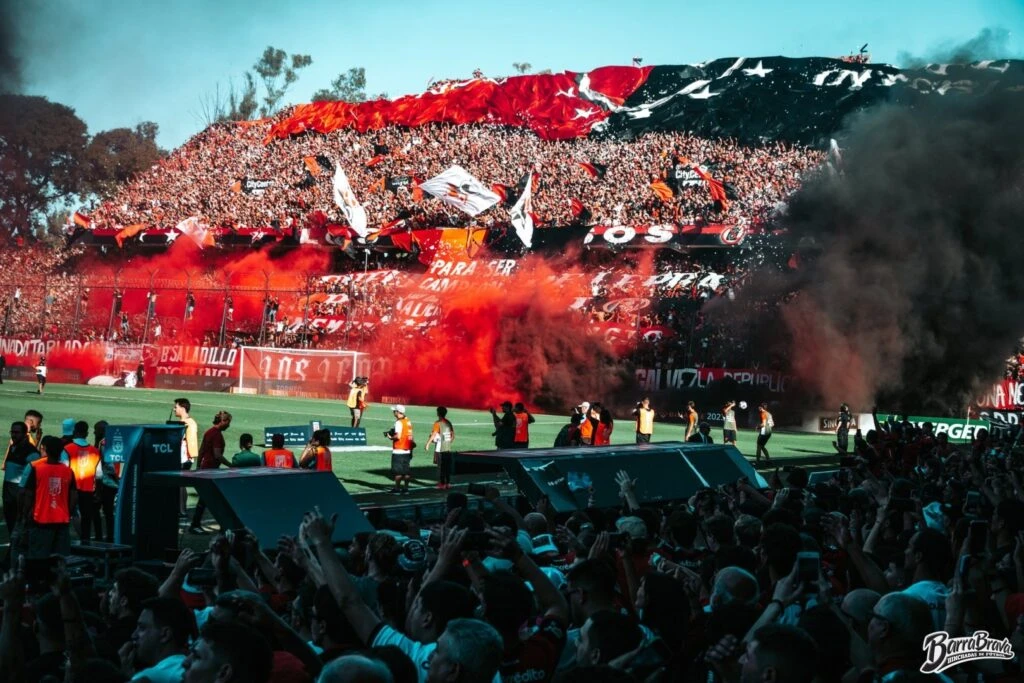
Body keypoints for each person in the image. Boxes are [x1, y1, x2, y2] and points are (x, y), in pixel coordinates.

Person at [20, 435, 77, 558]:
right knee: (60, 560)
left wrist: (25, 513)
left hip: (41, 519)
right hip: (61, 520)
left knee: (39, 557)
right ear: (61, 451)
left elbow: (29, 495)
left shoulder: (37, 469)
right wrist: (69, 512)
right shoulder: (68, 471)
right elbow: (73, 496)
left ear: (46, 449)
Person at [122, 596, 194, 682]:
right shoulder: (185, 669)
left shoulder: (150, 677)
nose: (134, 635)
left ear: (165, 635)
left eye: (142, 628)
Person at [189, 410, 232, 534]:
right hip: (211, 470)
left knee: (207, 498)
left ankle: (197, 524)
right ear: (223, 421)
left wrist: (198, 467)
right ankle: (196, 524)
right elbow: (217, 455)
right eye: (228, 422)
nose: (229, 425)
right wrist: (231, 465)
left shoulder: (209, 432)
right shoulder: (217, 435)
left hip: (205, 468)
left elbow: (201, 450)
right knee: (209, 498)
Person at [64, 420, 102, 542]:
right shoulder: (95, 451)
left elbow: (63, 470)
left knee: (66, 516)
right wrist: (98, 492)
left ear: (74, 432)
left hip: (71, 490)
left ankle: (64, 543)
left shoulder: (67, 449)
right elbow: (99, 475)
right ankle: (85, 543)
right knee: (86, 518)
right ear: (86, 433)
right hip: (88, 490)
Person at [2, 421, 39, 546]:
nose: (13, 435)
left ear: (25, 434)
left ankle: (20, 555)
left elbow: (35, 476)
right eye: (12, 432)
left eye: (16, 432)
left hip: (19, 492)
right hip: (8, 492)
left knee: (20, 526)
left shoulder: (31, 452)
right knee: (11, 525)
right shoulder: (13, 447)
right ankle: (14, 553)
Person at [174, 398, 199, 518]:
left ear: (182, 408)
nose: (174, 409)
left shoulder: (186, 423)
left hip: (184, 456)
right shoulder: (191, 422)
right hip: (187, 456)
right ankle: (182, 509)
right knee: (181, 484)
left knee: (180, 484)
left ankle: (182, 510)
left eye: (176, 407)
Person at [95, 419, 119, 542]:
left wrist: (115, 477)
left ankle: (104, 536)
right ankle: (110, 536)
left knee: (101, 511)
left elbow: (108, 464)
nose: (94, 433)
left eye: (96, 431)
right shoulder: (111, 441)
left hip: (106, 482)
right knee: (108, 512)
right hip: (110, 482)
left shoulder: (104, 443)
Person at [427, 407, 455, 490]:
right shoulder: (448, 422)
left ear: (438, 413)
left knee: (440, 467)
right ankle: (448, 483)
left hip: (440, 449)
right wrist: (448, 442)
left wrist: (428, 443)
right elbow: (452, 436)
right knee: (447, 467)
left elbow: (434, 434)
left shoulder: (437, 423)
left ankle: (442, 484)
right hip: (448, 448)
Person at [387, 406, 413, 495]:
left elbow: (397, 436)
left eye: (394, 411)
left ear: (398, 412)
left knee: (398, 471)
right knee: (406, 471)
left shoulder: (399, 422)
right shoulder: (408, 421)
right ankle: (406, 489)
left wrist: (390, 437)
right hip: (407, 449)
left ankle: (397, 488)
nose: (393, 412)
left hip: (399, 449)